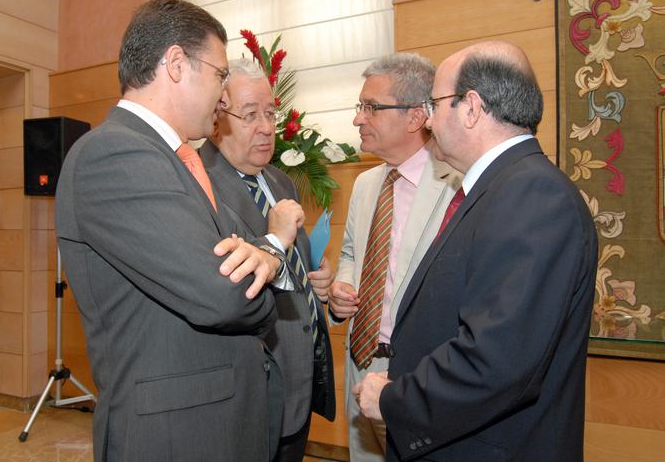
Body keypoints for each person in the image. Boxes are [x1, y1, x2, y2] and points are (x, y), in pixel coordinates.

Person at [55, 0, 291, 462]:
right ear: (177, 64)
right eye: (221, 75)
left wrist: (264, 258)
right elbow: (226, 295)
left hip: (214, 425)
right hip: (176, 437)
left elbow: (240, 261)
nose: (224, 97)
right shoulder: (114, 154)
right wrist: (265, 273)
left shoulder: (176, 158)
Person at [354, 41, 599, 462]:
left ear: (470, 107)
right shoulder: (501, 187)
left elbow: (497, 358)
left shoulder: (533, 195)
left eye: (434, 104)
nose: (428, 120)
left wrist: (395, 400)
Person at [199, 58, 336, 462]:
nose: (265, 127)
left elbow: (294, 261)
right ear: (217, 117)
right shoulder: (196, 181)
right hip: (252, 391)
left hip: (299, 378)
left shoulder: (279, 180)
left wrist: (317, 279)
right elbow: (218, 284)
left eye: (271, 114)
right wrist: (272, 240)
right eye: (250, 115)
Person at [329, 53, 462, 462]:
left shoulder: (456, 186)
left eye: (371, 107)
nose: (358, 119)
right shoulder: (366, 184)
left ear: (416, 116)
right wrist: (342, 287)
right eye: (360, 106)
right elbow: (352, 251)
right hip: (360, 365)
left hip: (418, 375)